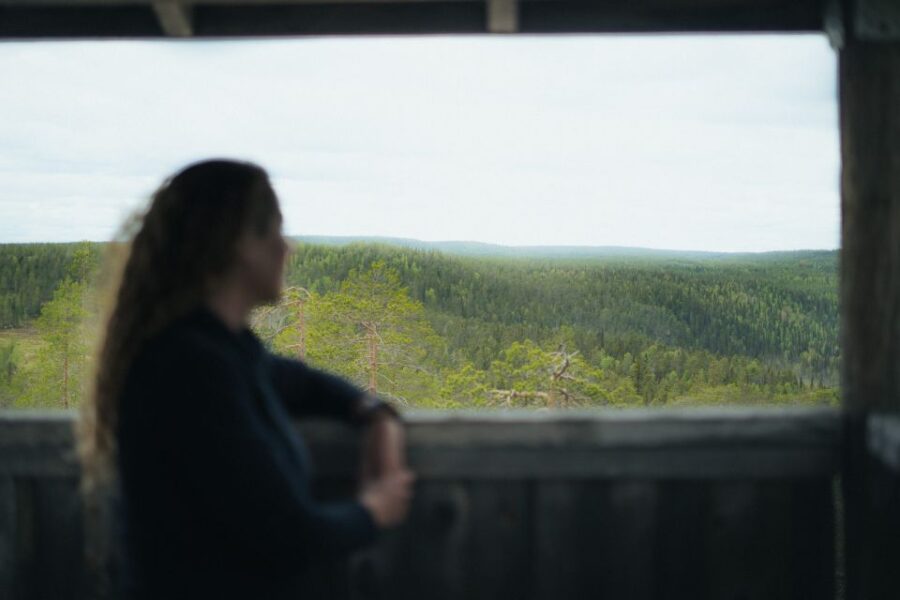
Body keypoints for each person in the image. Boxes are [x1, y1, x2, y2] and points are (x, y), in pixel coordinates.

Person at [75, 158, 416, 600]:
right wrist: (377, 508)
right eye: (274, 230)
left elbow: (293, 380)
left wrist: (374, 412)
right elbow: (288, 539)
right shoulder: (188, 369)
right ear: (239, 243)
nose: (287, 247)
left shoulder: (217, 348)